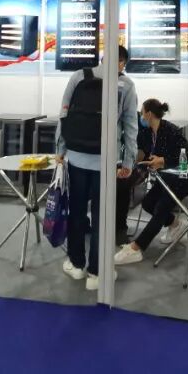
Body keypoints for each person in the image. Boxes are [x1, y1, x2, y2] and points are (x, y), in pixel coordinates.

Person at [56, 45, 137, 290]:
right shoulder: (126, 86)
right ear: (122, 62)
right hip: (106, 161)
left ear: (102, 58)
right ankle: (97, 273)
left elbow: (64, 114)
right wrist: (128, 160)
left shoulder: (78, 76)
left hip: (77, 158)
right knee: (103, 216)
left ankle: (76, 265)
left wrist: (60, 150)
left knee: (77, 211)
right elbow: (130, 126)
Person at [113, 99, 188, 266]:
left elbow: (186, 157)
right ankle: (175, 225)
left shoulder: (171, 130)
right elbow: (141, 153)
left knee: (160, 209)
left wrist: (162, 161)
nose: (141, 116)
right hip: (164, 179)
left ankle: (136, 248)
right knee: (148, 203)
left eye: (142, 112)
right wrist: (127, 166)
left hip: (181, 180)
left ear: (149, 114)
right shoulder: (147, 133)